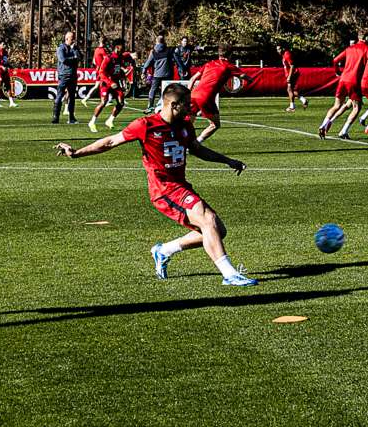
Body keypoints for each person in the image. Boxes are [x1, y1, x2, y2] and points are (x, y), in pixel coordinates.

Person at [56, 83, 255, 285]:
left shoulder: (185, 124)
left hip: (180, 186)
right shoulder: (145, 125)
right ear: (174, 105)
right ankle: (229, 275)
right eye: (187, 104)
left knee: (217, 230)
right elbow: (110, 142)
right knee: (207, 219)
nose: (191, 108)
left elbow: (197, 149)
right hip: (164, 190)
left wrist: (228, 161)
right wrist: (77, 153)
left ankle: (164, 250)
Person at [317, 37, 368, 139]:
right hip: (354, 81)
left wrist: (337, 71)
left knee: (337, 105)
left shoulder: (349, 49)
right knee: (357, 108)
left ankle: (323, 125)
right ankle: (344, 131)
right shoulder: (367, 49)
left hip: (343, 79)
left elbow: (335, 60)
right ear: (367, 38)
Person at [186, 50, 241, 142]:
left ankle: (179, 141)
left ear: (219, 54)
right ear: (230, 55)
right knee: (215, 124)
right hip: (205, 97)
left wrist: (187, 95)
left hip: (193, 95)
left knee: (187, 122)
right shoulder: (228, 66)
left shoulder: (209, 64)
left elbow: (192, 79)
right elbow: (243, 76)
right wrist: (250, 80)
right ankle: (196, 142)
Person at [87, 38, 128, 131]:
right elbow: (101, 72)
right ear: (117, 47)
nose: (124, 47)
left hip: (115, 83)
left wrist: (123, 80)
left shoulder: (120, 58)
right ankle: (92, 122)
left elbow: (118, 71)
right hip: (106, 83)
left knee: (121, 102)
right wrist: (110, 82)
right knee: (103, 102)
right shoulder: (108, 58)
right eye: (123, 45)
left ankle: (110, 120)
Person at [51, 30, 80, 125]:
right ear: (67, 38)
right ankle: (55, 117)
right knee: (60, 95)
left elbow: (79, 57)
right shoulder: (61, 48)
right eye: (72, 38)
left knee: (72, 97)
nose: (74, 40)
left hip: (73, 75)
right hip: (63, 75)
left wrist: (74, 52)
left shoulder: (75, 48)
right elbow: (63, 60)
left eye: (74, 38)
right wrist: (74, 58)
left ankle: (71, 117)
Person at [146, 34, 177, 106]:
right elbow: (176, 60)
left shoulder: (153, 52)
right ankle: (166, 104)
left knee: (153, 89)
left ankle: (150, 105)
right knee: (168, 90)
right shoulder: (169, 50)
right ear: (164, 41)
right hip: (168, 74)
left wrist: (144, 71)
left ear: (156, 41)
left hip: (157, 74)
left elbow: (148, 63)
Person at [0, 39, 21, 108]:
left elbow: (5, 62)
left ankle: (11, 102)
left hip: (5, 71)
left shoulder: (5, 52)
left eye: (5, 44)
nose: (5, 45)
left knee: (8, 86)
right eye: (3, 44)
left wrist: (11, 67)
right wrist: (1, 67)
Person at [280, 42, 304, 112]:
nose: (278, 51)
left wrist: (289, 76)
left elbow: (292, 66)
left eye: (279, 49)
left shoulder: (287, 54)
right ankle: (303, 100)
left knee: (289, 90)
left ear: (283, 48)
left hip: (292, 74)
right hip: (290, 74)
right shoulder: (284, 55)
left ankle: (292, 107)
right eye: (277, 49)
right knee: (291, 90)